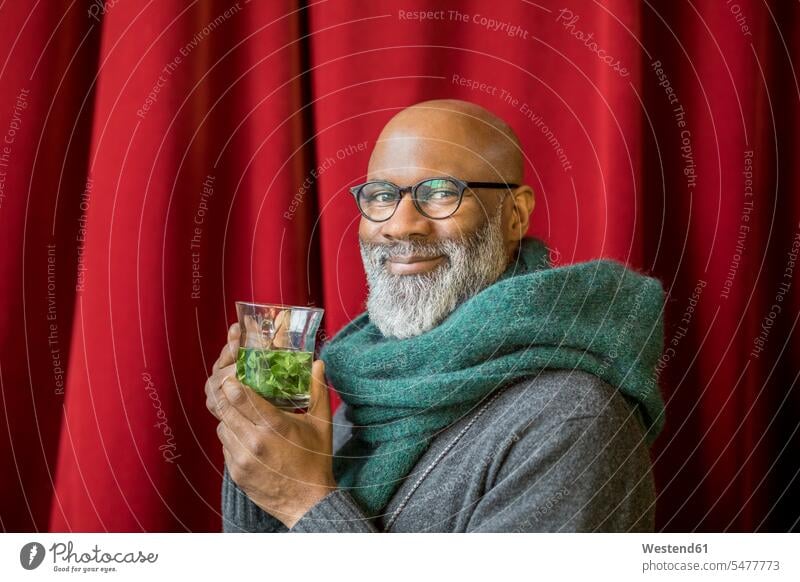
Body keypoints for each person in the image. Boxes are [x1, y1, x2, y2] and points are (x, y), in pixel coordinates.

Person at [205, 99, 666, 532]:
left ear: (514, 214)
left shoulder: (573, 419)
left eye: (442, 192)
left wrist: (304, 499)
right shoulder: (371, 382)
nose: (401, 225)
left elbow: (302, 504)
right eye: (382, 196)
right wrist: (258, 443)